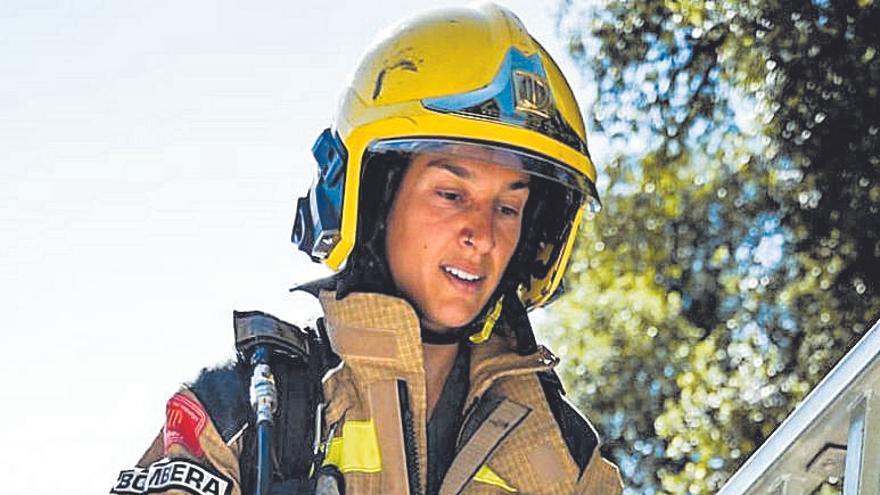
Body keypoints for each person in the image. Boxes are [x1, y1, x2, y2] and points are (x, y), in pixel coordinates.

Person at [110, 4, 623, 494]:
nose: (483, 235)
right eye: (451, 194)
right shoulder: (245, 414)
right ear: (375, 200)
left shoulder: (565, 457)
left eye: (508, 209)